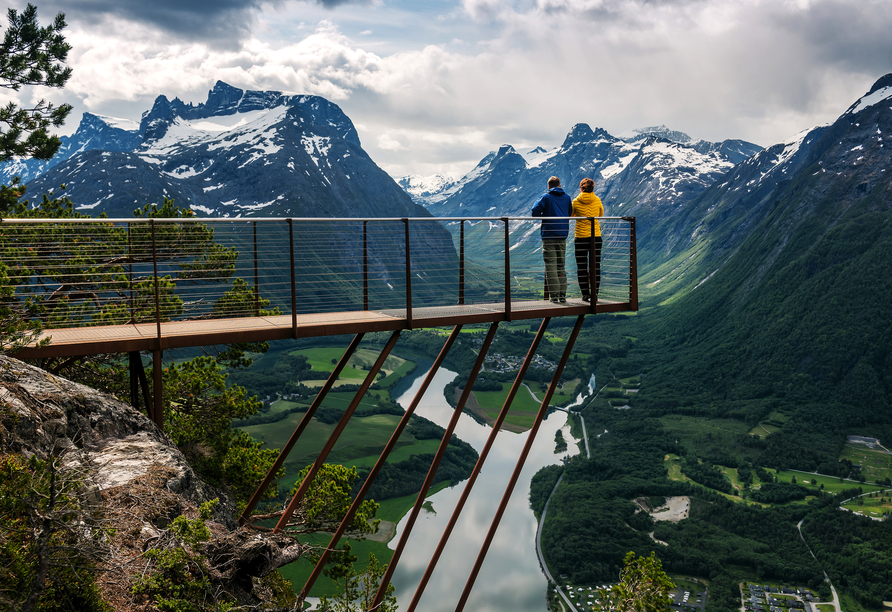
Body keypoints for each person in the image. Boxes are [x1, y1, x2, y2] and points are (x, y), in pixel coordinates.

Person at [531, 176, 572, 303]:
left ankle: (554, 296)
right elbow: (569, 212)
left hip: (549, 235)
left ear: (549, 186)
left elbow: (534, 211)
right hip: (562, 236)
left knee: (551, 266)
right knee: (561, 265)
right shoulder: (567, 197)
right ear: (560, 185)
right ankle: (562, 295)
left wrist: (545, 214)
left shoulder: (546, 197)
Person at [571, 177, 604, 302]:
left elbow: (572, 215)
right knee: (595, 266)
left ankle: (585, 294)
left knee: (582, 266)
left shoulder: (575, 201)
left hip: (580, 237)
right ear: (593, 188)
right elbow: (600, 214)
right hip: (595, 236)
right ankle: (595, 294)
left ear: (581, 188)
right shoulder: (597, 200)